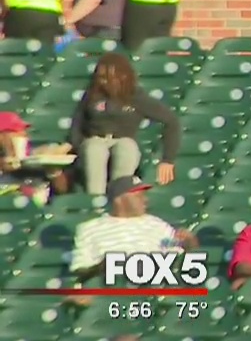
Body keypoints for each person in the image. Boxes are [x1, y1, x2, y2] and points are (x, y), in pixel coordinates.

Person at [69, 53, 181, 195]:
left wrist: (167, 160)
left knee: (127, 147)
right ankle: (95, 198)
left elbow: (171, 121)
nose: (105, 82)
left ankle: (120, 196)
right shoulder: (92, 95)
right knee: (95, 149)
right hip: (95, 140)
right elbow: (78, 121)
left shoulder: (135, 96)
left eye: (110, 78)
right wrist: (76, 144)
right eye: (101, 78)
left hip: (124, 139)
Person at [69, 176, 197, 278]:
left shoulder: (158, 225)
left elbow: (180, 258)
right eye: (139, 196)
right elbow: (79, 270)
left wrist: (189, 244)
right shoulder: (89, 229)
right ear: (119, 200)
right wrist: (102, 267)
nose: (145, 200)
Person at [1, 111, 72, 203]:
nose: (23, 134)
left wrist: (54, 172)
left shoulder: (38, 156)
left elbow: (63, 193)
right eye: (15, 131)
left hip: (36, 207)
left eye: (22, 130)